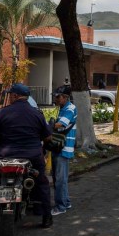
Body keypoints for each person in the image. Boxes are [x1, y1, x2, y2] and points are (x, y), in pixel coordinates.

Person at [0, 83, 54, 228]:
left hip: (4, 157)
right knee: (42, 183)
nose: (9, 97)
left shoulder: (2, 112)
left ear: (14, 95)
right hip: (32, 157)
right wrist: (43, 149)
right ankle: (46, 216)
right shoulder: (37, 114)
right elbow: (48, 138)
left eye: (10, 95)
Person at [50, 85, 77, 216]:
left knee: (60, 179)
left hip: (63, 147)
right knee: (60, 178)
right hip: (59, 146)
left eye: (57, 96)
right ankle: (65, 202)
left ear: (65, 97)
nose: (55, 99)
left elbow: (61, 124)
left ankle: (60, 207)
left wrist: (45, 125)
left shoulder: (70, 108)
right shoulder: (63, 108)